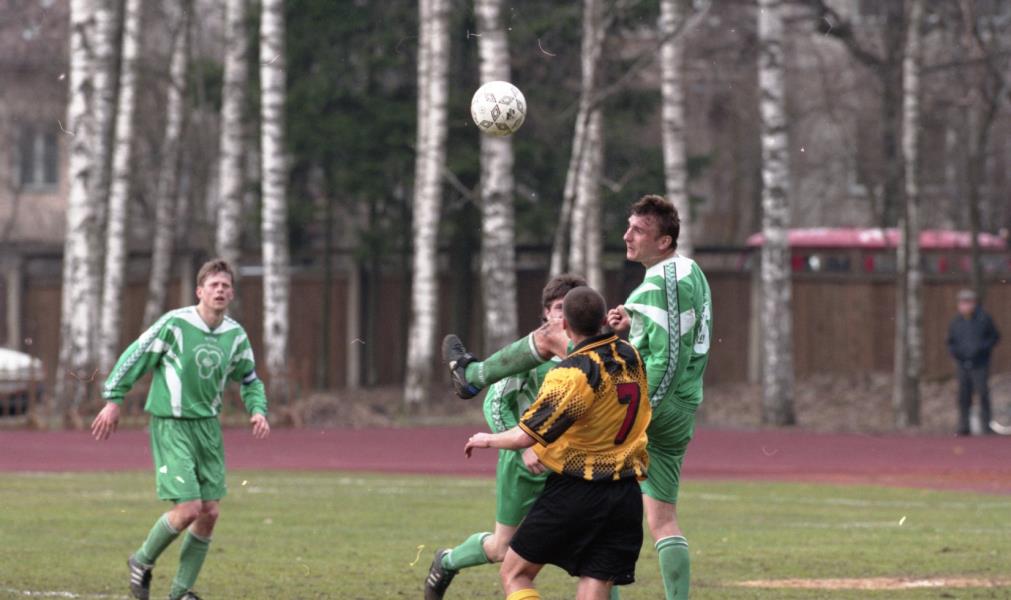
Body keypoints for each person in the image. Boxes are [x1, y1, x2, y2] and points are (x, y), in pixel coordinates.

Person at [91, 259, 270, 600]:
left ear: (232, 294)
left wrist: (258, 409)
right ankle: (141, 561)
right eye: (214, 285)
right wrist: (113, 399)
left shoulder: (235, 335)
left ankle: (179, 593)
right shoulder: (175, 323)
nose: (220, 290)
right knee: (189, 509)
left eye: (226, 286)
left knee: (210, 512)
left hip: (208, 429)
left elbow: (249, 379)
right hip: (172, 425)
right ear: (199, 291)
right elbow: (137, 354)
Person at [463, 286, 651, 600]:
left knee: (515, 573)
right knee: (593, 586)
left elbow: (526, 435)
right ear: (604, 320)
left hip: (578, 489)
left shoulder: (571, 375)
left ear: (564, 325)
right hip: (626, 493)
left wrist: (487, 439)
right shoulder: (631, 355)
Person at [424, 275, 587, 599]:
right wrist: (522, 450)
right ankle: (448, 561)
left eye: (570, 307)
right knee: (503, 548)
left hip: (571, 466)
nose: (564, 314)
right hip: (524, 467)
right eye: (558, 308)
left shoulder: (591, 354)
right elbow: (495, 404)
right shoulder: (530, 355)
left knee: (594, 554)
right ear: (546, 314)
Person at [606, 195, 711, 600]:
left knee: (601, 512)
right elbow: (676, 334)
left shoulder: (661, 281)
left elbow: (667, 359)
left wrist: (640, 413)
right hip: (682, 406)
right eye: (629, 226)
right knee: (663, 519)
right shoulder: (689, 271)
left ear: (664, 241)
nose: (627, 236)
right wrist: (634, 321)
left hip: (652, 406)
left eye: (638, 230)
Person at [946, 288, 1000, 436]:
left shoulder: (984, 319)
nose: (965, 305)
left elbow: (994, 337)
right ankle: (964, 426)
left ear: (974, 303)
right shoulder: (955, 322)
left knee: (982, 393)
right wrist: (956, 353)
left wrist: (982, 349)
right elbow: (950, 342)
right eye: (962, 302)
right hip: (962, 363)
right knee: (963, 395)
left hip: (980, 363)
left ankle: (986, 425)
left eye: (968, 302)